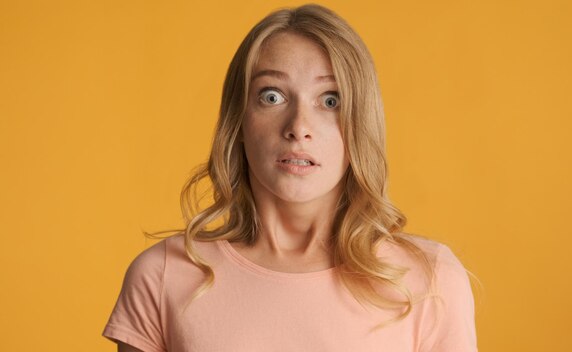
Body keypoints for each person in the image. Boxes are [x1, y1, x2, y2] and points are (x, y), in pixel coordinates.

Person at [102, 3, 478, 352]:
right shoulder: (163, 275)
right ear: (239, 120)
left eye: (331, 100)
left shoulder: (431, 280)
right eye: (272, 96)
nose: (299, 127)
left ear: (361, 123)